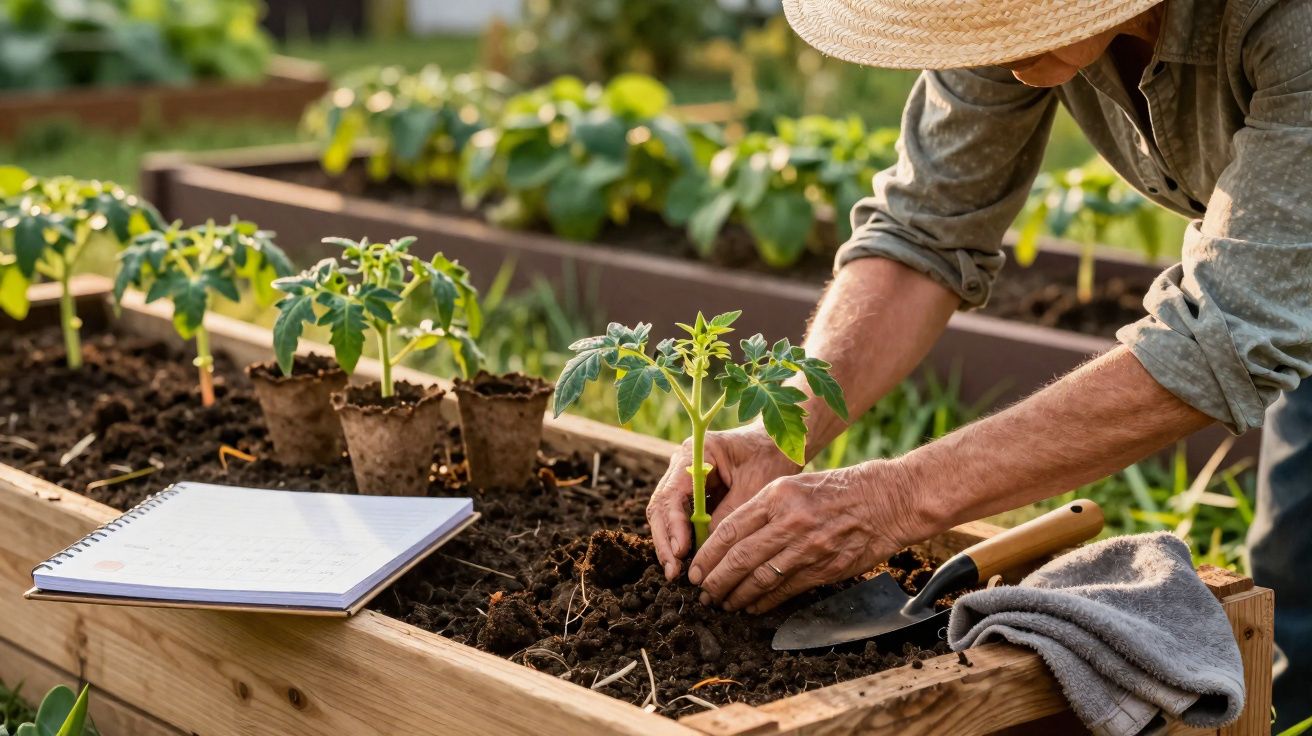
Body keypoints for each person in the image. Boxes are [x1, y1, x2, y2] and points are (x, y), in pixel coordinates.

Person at [645, 0, 1312, 728]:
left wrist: (894, 500)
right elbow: (923, 230)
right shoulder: (1003, 17)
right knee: (1297, 569)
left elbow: (1219, 334)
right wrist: (781, 428)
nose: (1005, 51)